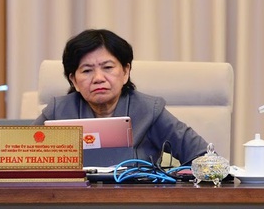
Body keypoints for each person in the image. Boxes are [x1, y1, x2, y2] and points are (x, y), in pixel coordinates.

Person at [33, 29, 208, 165]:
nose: (98, 78)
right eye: (87, 71)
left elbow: (202, 156)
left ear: (125, 72)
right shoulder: (58, 111)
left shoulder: (149, 111)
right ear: (74, 81)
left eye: (108, 67)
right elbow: (21, 160)